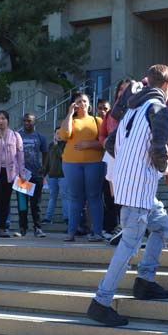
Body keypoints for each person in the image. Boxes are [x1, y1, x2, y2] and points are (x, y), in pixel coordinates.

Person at [87, 65, 168, 327]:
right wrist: (165, 167)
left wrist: (128, 165)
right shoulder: (160, 111)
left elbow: (111, 144)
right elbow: (159, 152)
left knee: (162, 226)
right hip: (140, 189)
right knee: (128, 247)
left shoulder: (130, 111)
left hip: (131, 186)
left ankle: (145, 280)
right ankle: (101, 301)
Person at [60, 93, 105, 242]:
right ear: (74, 104)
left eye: (85, 101)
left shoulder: (97, 120)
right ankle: (71, 232)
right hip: (71, 163)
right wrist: (69, 114)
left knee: (94, 196)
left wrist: (89, 144)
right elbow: (65, 135)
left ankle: (97, 232)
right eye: (79, 101)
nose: (82, 103)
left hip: (95, 163)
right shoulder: (71, 120)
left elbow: (106, 142)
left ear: (89, 104)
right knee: (75, 197)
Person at [0, 110, 26, 238]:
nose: (1, 121)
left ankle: (3, 228)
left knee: (5, 201)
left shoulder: (15, 135)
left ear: (8, 120)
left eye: (3, 118)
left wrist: (22, 174)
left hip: (10, 173)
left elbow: (20, 155)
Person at [99, 80, 132, 235]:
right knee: (111, 193)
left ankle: (129, 226)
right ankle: (114, 226)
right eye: (121, 89)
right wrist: (105, 142)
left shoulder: (137, 109)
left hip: (130, 157)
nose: (123, 93)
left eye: (127, 89)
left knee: (127, 192)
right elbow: (102, 133)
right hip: (112, 155)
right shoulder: (112, 111)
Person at [16, 113, 48, 237]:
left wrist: (44, 167)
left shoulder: (41, 137)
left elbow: (46, 153)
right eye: (24, 121)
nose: (26, 123)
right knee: (22, 204)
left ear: (35, 122)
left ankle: (38, 228)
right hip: (23, 176)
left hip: (35, 175)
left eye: (29, 121)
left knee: (36, 204)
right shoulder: (18, 135)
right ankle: (22, 228)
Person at [43, 129, 67, 224]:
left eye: (61, 133)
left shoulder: (66, 145)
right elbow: (48, 160)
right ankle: (48, 218)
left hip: (63, 175)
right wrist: (44, 174)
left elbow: (62, 156)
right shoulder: (51, 145)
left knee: (65, 196)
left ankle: (67, 218)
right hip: (52, 176)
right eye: (57, 133)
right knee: (52, 197)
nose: (59, 135)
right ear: (54, 135)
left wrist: (57, 146)